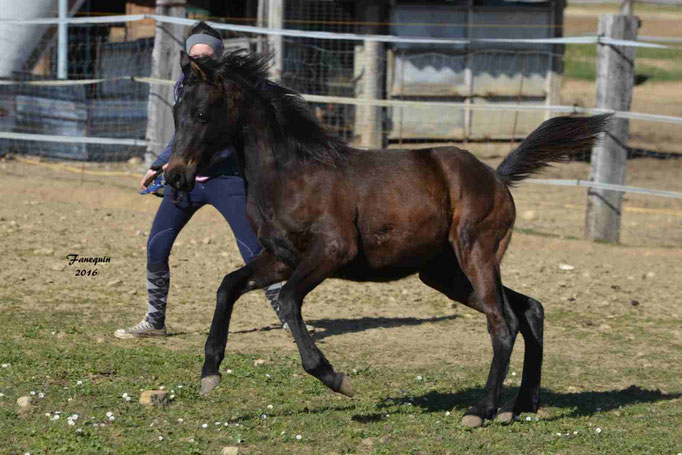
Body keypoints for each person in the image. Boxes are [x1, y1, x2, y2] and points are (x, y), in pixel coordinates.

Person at [115, 21, 285, 339]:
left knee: (253, 252)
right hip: (185, 181)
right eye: (195, 54)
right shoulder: (183, 88)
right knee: (156, 246)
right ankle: (155, 321)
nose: (200, 60)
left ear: (218, 57)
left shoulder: (231, 92)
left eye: (206, 54)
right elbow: (183, 136)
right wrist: (158, 165)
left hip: (226, 179)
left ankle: (288, 316)